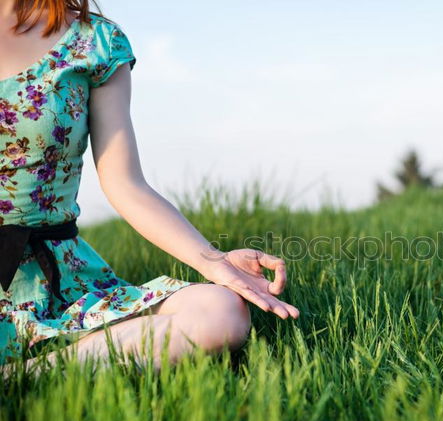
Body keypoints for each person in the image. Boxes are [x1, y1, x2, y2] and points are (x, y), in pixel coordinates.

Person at [0, 0, 299, 371]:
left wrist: (215, 261)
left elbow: (126, 185)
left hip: (56, 275)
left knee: (219, 312)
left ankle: (24, 378)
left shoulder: (94, 41)